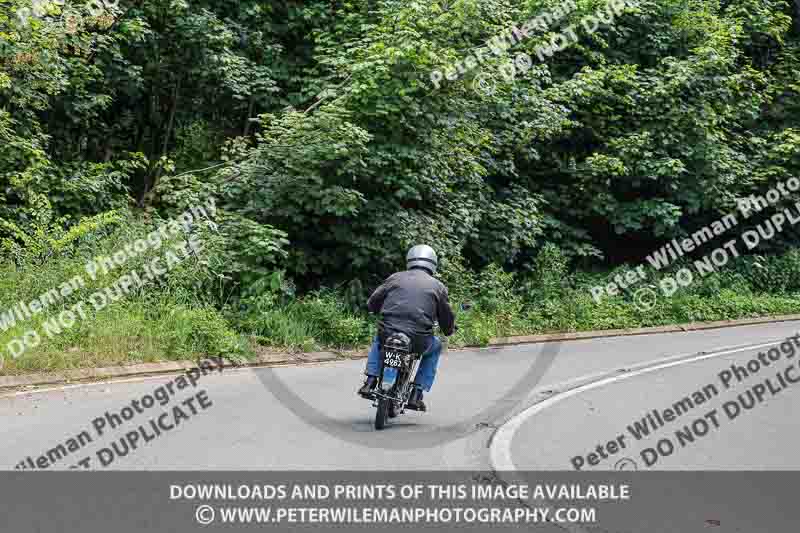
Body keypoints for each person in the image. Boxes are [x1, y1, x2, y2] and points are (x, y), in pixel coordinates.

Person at [357, 244, 456, 411]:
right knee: (436, 346)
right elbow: (446, 316)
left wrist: (375, 310)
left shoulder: (394, 278)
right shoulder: (438, 286)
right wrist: (449, 329)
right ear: (433, 263)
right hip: (418, 340)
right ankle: (417, 393)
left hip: (388, 333)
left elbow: (373, 302)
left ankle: (370, 380)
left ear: (409, 260)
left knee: (378, 339)